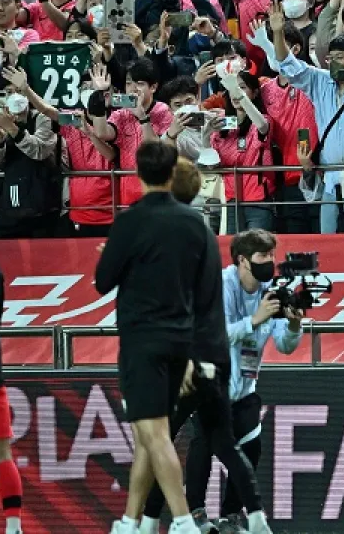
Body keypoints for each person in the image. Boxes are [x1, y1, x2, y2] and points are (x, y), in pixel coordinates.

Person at [93, 141, 222, 534]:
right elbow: (206, 292)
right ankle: (131, 521)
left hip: (142, 341)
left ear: (138, 175)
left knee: (153, 433)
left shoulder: (129, 222)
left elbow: (102, 282)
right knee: (151, 434)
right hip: (180, 341)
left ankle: (183, 520)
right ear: (172, 174)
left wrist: (115, 256)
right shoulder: (194, 224)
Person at [139, 224, 297, 534]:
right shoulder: (219, 286)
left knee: (249, 447)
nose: (269, 261)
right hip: (206, 379)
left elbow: (284, 345)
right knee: (203, 445)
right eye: (262, 255)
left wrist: (293, 326)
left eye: (272, 255)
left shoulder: (272, 292)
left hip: (245, 385)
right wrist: (254, 319)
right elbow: (213, 336)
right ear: (241, 260)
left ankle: (230, 516)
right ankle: (188, 514)